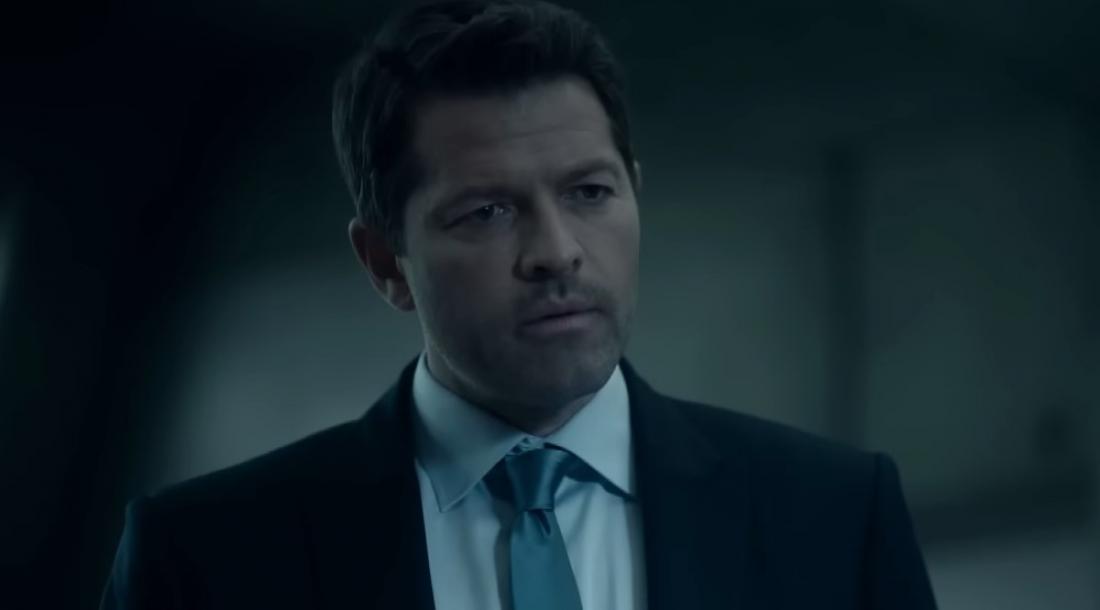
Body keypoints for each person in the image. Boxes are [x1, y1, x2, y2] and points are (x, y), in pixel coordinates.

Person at [100, 1, 937, 608]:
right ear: (385, 262)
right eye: (487, 211)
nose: (556, 251)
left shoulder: (833, 518)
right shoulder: (206, 561)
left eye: (589, 192)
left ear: (635, 193)